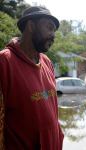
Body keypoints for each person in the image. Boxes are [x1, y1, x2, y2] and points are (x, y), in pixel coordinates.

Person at [0, 6, 64, 150]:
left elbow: (53, 113)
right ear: (31, 26)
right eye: (49, 28)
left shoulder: (47, 62)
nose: (53, 35)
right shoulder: (4, 62)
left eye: (54, 30)